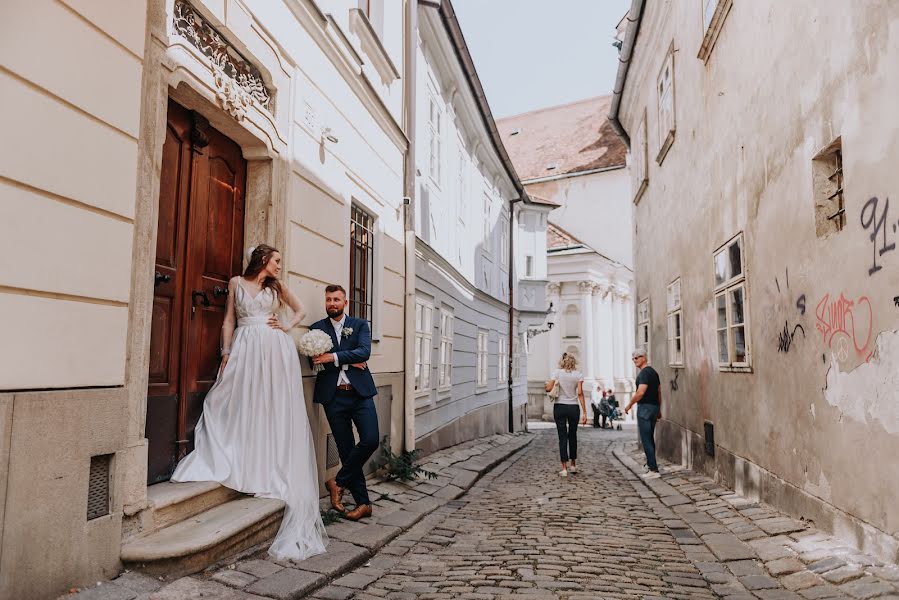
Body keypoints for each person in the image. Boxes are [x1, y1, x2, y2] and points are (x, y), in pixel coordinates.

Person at [172, 244, 327, 561]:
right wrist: (226, 352)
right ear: (263, 260)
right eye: (277, 261)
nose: (280, 266)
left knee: (270, 405)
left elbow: (301, 311)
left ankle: (267, 466)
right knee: (232, 399)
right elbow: (229, 320)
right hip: (245, 345)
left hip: (273, 349)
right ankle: (236, 455)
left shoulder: (277, 287)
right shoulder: (235, 283)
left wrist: (285, 326)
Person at [310, 285, 379, 521]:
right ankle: (363, 503)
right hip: (333, 397)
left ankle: (337, 482)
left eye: (336, 299)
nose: (332, 303)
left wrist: (334, 357)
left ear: (345, 303)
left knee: (370, 440)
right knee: (347, 449)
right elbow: (317, 360)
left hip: (360, 394)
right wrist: (349, 360)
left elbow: (364, 352)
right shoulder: (317, 329)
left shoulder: (360, 325)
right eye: (328, 299)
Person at [545, 353, 587, 477]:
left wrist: (548, 384)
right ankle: (573, 465)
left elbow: (548, 389)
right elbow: (579, 393)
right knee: (572, 435)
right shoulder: (578, 374)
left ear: (562, 361)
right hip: (573, 407)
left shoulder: (557, 373)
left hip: (560, 407)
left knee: (562, 437)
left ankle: (564, 468)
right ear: (574, 362)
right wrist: (584, 412)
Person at [624, 348, 662, 479]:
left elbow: (640, 392)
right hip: (653, 407)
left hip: (645, 408)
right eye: (633, 358)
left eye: (637, 357)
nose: (634, 360)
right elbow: (658, 392)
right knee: (650, 438)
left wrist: (629, 405)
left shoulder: (644, 374)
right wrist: (659, 409)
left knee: (646, 439)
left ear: (644, 358)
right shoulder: (654, 373)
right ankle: (650, 465)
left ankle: (653, 470)